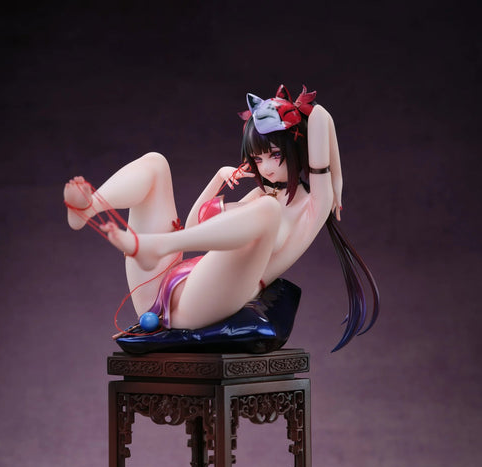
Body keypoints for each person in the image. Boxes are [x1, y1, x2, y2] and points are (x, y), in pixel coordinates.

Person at [63, 84, 378, 351]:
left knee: (268, 210)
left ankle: (155, 245)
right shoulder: (259, 196)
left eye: (276, 155)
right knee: (156, 164)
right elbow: (194, 227)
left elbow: (319, 115)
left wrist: (336, 180)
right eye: (258, 158)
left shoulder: (313, 205)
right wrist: (217, 179)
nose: (266, 168)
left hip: (206, 302)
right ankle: (88, 208)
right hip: (164, 289)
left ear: (299, 150)